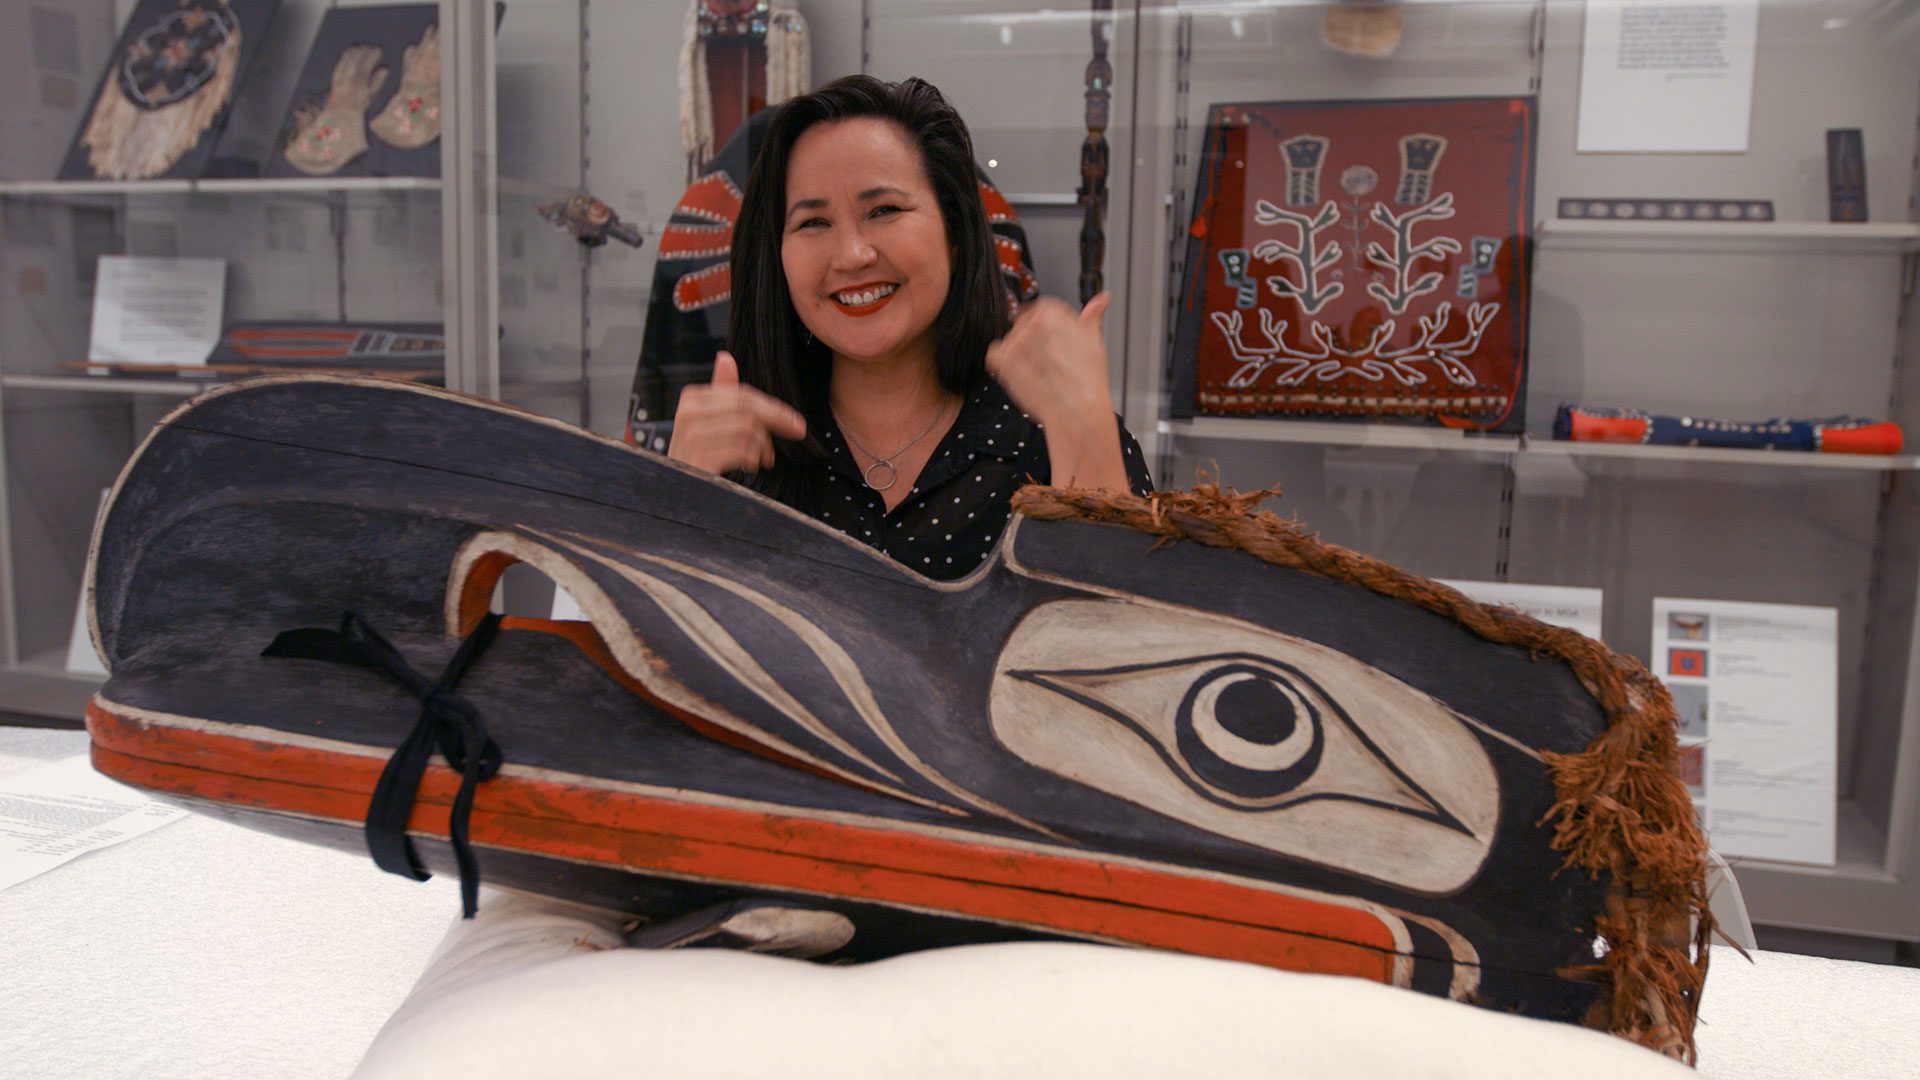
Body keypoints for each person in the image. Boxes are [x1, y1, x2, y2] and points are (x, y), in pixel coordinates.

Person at [666, 74, 1152, 581]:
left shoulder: (1049, 430)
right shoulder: (740, 449)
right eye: (813, 223)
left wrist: (1085, 435)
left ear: (955, 232)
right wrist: (673, 495)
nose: (853, 255)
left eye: (884, 210)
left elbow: (1134, 624)